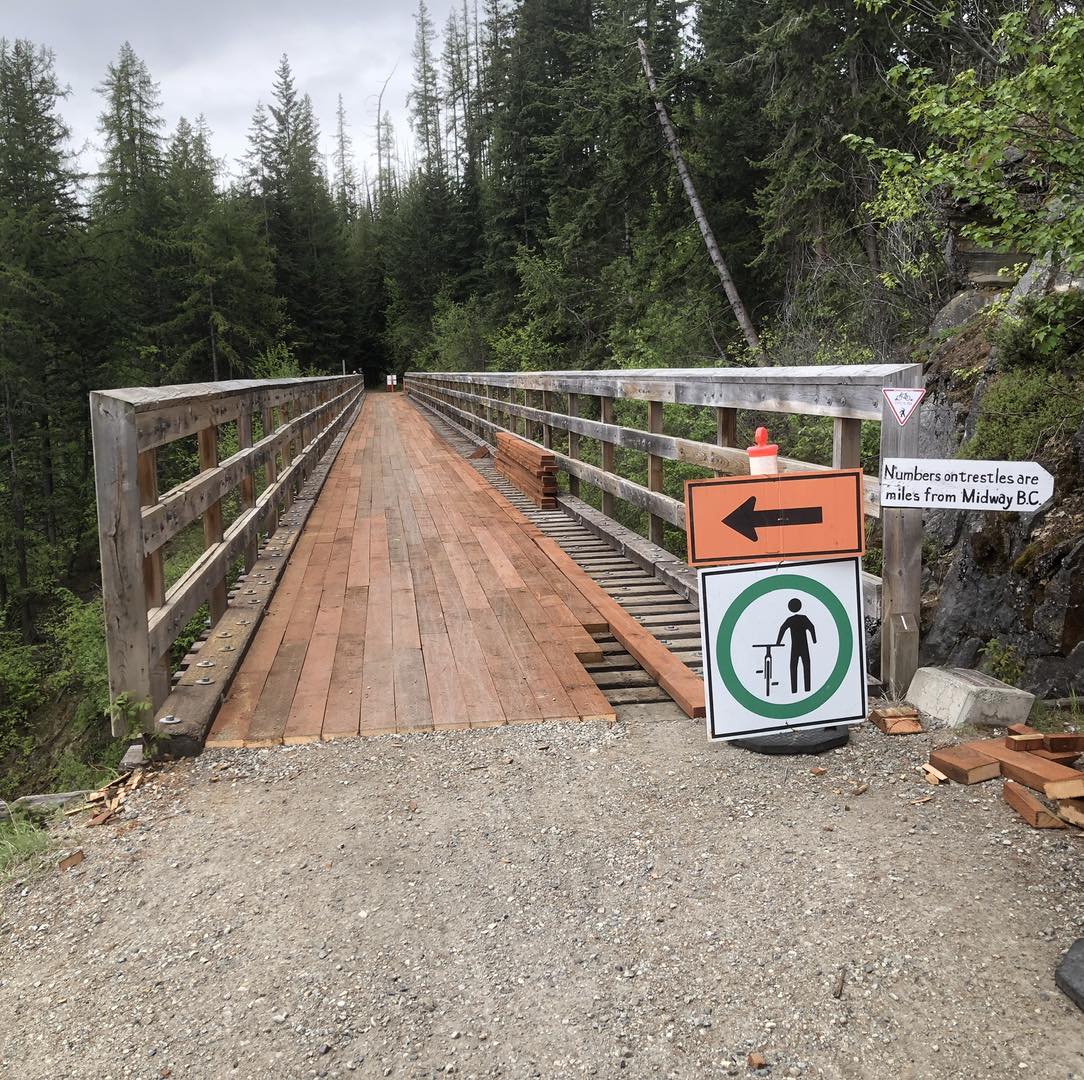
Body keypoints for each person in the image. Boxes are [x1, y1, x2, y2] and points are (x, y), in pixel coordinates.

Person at [775, 598, 816, 694]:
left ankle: (795, 690)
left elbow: (782, 629)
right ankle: (807, 688)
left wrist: (778, 642)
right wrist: (814, 639)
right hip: (803, 646)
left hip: (796, 647)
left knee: (794, 666)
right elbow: (811, 627)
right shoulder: (803, 618)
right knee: (806, 665)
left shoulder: (791, 619)